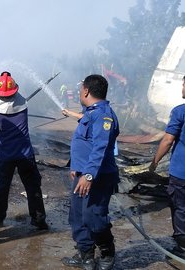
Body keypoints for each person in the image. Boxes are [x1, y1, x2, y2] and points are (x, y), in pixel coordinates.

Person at [61, 74, 120, 270]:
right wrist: (76, 167)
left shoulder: (103, 116)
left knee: (93, 216)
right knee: (77, 216)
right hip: (82, 174)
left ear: (86, 91)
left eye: (80, 90)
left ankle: (107, 251)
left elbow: (100, 148)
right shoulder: (91, 113)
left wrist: (88, 175)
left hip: (97, 177)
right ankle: (85, 255)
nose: (79, 93)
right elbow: (83, 143)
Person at [0, 71, 48, 230]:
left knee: (1, 188)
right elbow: (15, 101)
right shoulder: (22, 106)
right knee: (32, 187)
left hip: (6, 156)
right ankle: (39, 220)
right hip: (25, 154)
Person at [149, 75, 185, 257]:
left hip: (181, 173)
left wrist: (154, 162)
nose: (182, 88)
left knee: (180, 208)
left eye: (184, 84)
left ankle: (182, 247)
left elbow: (168, 140)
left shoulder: (181, 111)